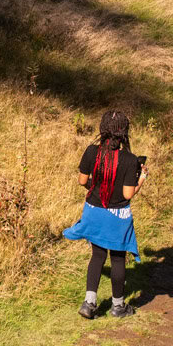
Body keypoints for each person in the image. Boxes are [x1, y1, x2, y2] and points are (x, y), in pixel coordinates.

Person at [64, 110, 146, 320]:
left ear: (102, 130)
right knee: (118, 258)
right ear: (124, 133)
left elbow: (83, 181)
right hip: (117, 217)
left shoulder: (92, 152)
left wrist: (100, 188)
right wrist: (141, 179)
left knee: (97, 256)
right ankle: (118, 306)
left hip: (93, 211)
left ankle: (89, 302)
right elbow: (128, 194)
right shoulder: (129, 160)